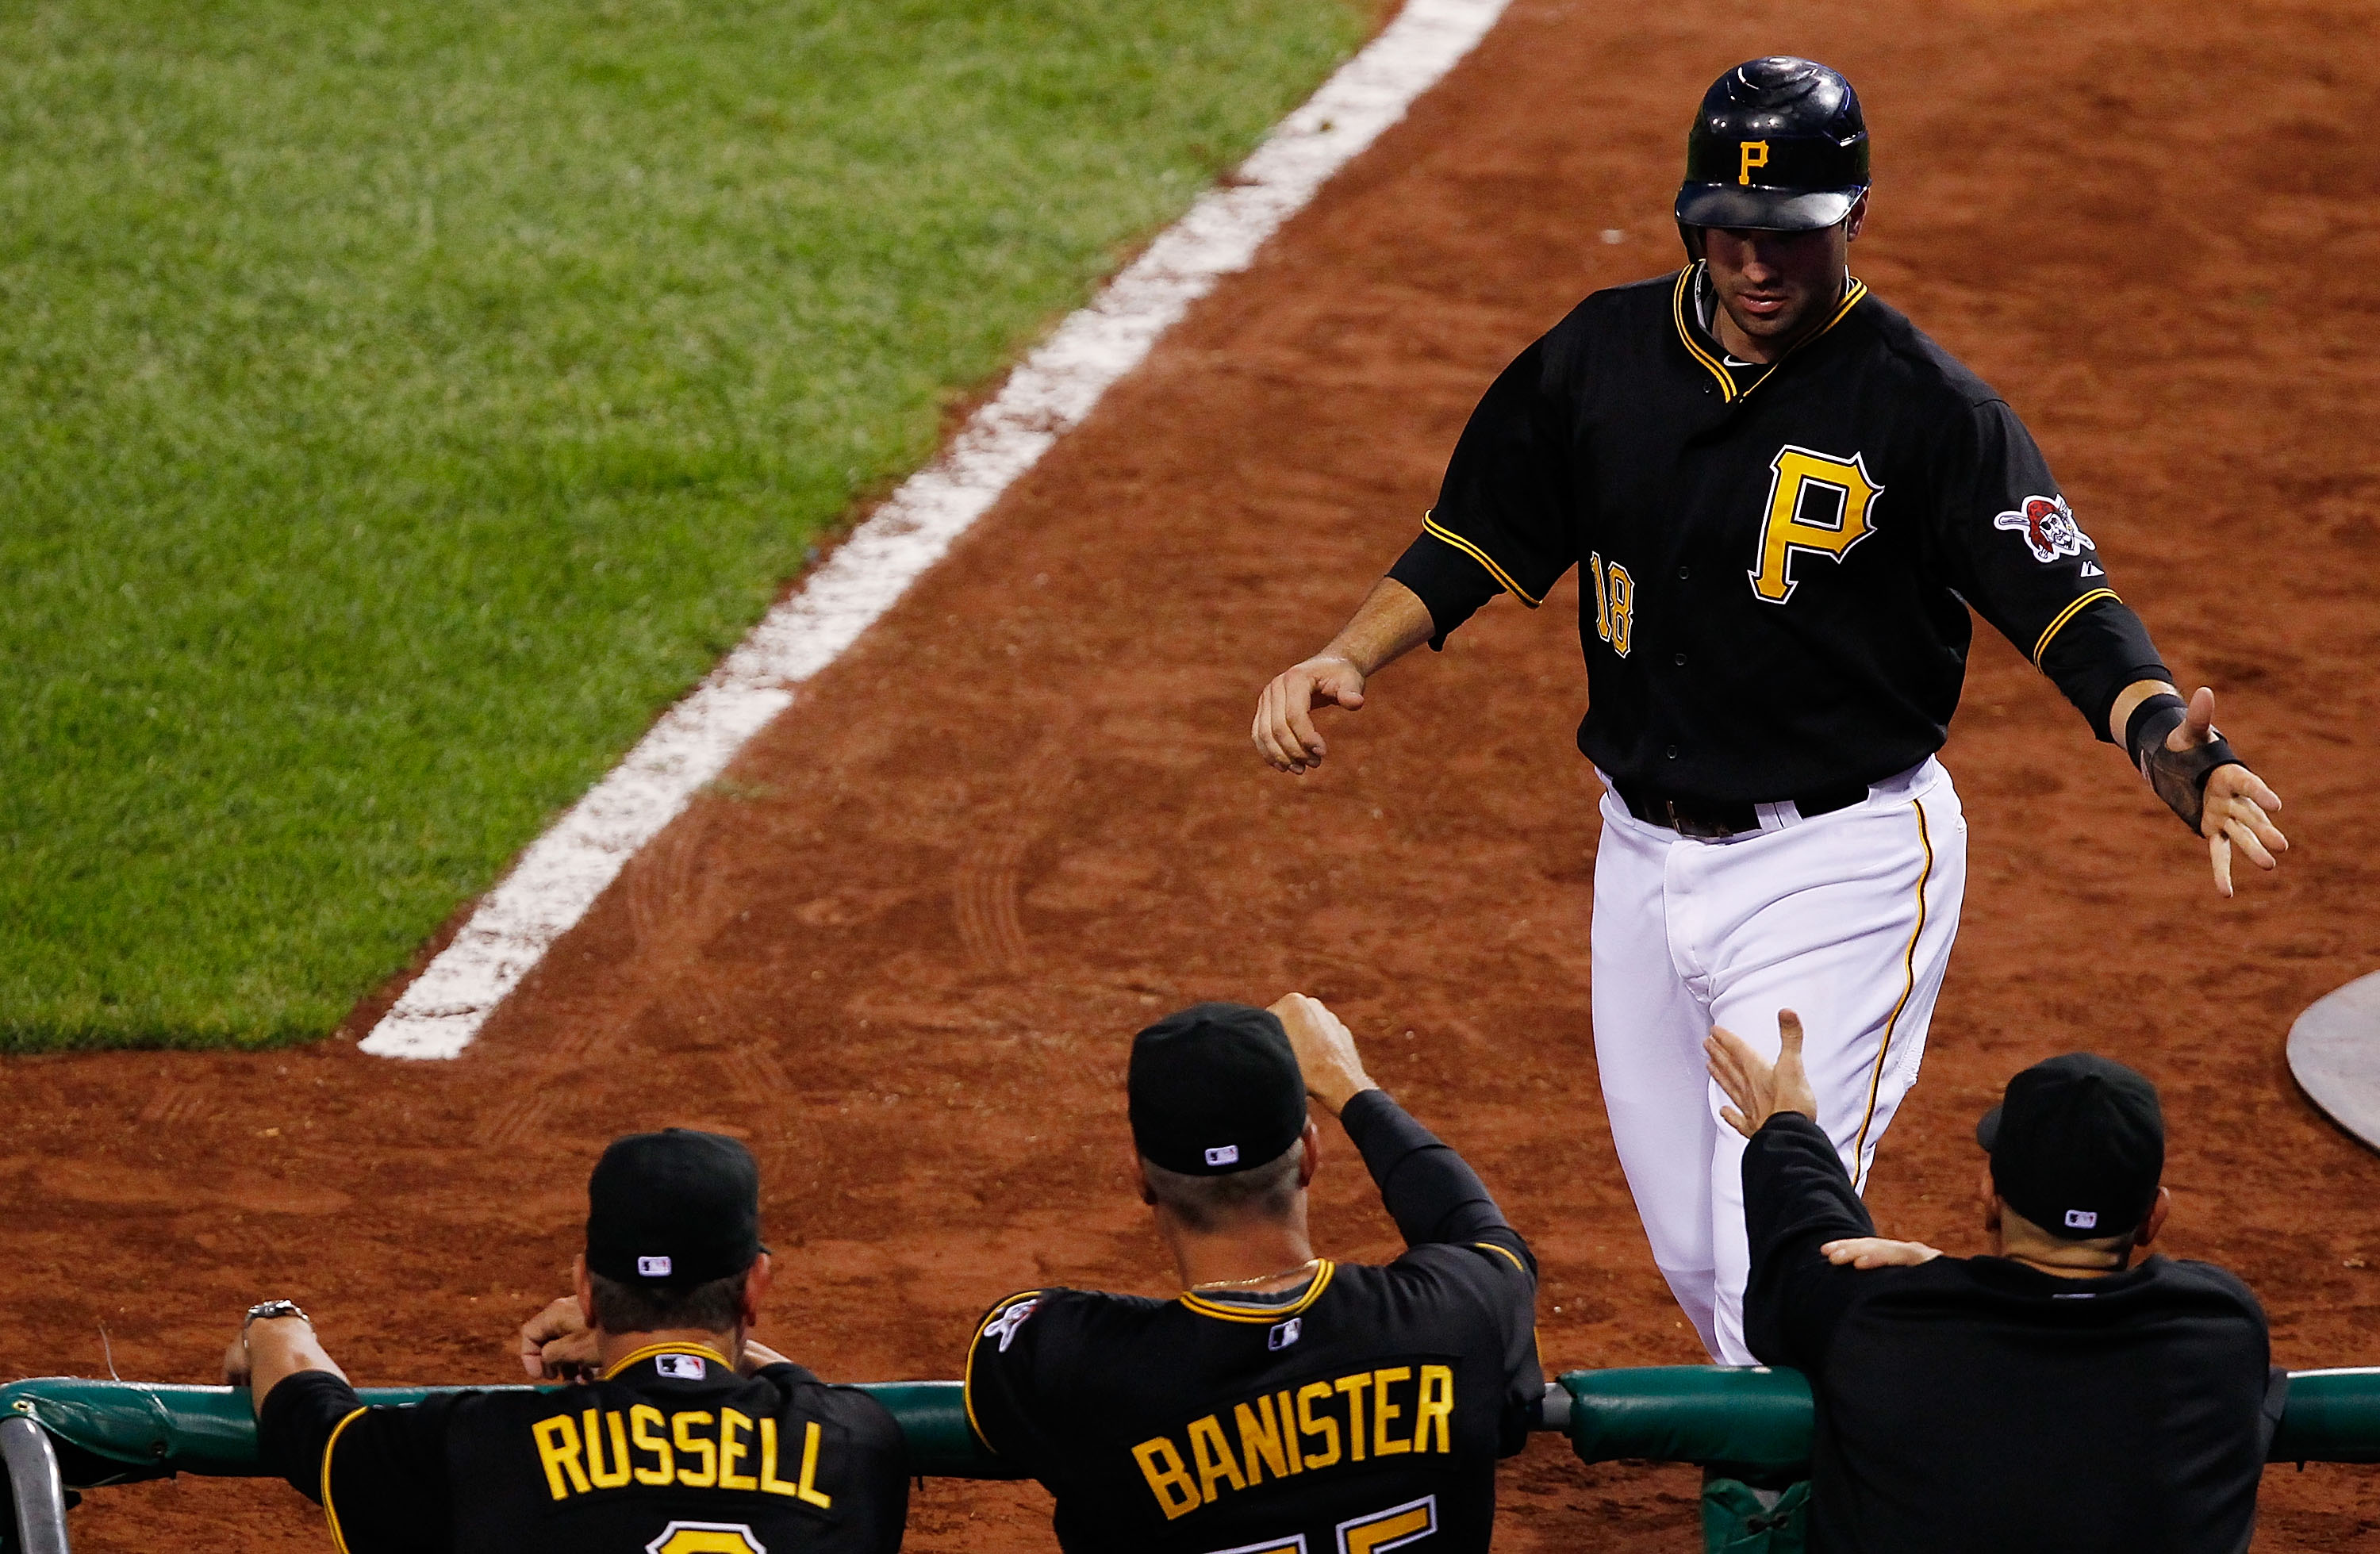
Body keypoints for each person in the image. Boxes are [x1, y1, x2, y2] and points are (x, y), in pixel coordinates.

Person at [1248, 54, 2288, 1364]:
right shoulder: (1600, 355)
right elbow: (1477, 529)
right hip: (1641, 853)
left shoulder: (1927, 406)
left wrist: (2162, 743)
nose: (1759, 262)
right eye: (1733, 230)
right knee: (1695, 1251)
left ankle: (1866, 1482)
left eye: (1793, 231)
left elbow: (2066, 603)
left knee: (1770, 1262)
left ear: (1853, 218)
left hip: (1837, 861)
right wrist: (1353, 651)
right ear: (1694, 220)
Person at [962, 996, 1541, 1552]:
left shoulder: (1079, 1370)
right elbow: (1475, 1230)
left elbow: (1015, 1333)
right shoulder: (1458, 1316)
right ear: (1311, 1153)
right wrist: (1352, 1088)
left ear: (1140, 1174)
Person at [1705, 1012, 2281, 1552]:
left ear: (1989, 1194)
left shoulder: (1880, 1322)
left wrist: (1786, 1128)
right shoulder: (2222, 1330)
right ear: (2154, 1216)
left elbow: (1806, 1246)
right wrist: (1949, 1280)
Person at [231, 1128, 909, 1553]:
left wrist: (274, 1321)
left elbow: (315, 1421)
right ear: (756, 1287)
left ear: (585, 1287)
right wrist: (681, 1350)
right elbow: (809, 1394)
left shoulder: (484, 1444)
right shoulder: (857, 1446)